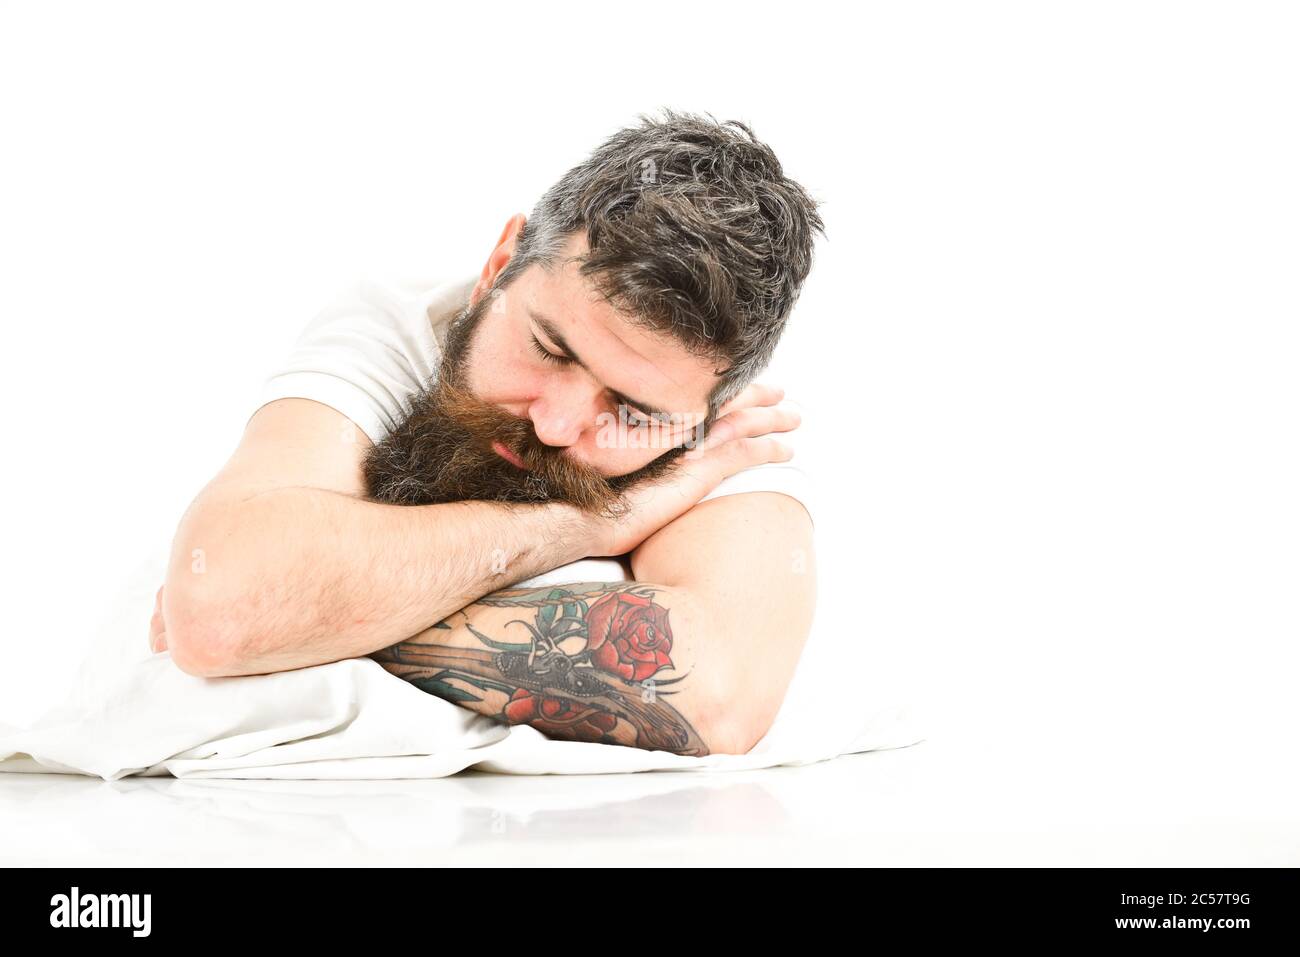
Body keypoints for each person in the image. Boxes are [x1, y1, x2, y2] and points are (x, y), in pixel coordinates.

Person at [149, 108, 826, 757]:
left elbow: (718, 699)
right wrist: (588, 526)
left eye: (632, 413)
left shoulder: (725, 440)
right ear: (499, 268)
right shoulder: (401, 325)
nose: (555, 426)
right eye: (548, 349)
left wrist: (305, 614)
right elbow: (221, 604)